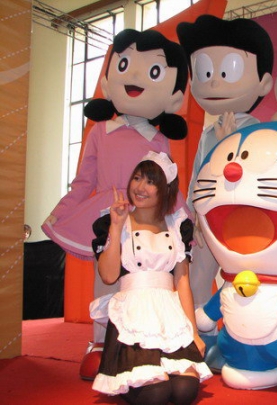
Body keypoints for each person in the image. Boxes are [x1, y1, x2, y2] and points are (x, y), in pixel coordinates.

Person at [41, 28, 190, 379]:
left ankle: (148, 339)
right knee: (106, 278)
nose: (134, 77)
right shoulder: (99, 132)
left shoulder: (159, 139)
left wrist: (183, 217)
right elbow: (84, 180)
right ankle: (100, 341)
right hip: (110, 216)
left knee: (141, 282)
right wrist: (63, 210)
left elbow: (166, 184)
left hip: (146, 221)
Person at [90, 151, 212, 405]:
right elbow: (109, 276)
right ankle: (124, 378)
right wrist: (116, 227)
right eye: (137, 178)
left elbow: (182, 282)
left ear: (165, 189)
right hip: (133, 315)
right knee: (156, 393)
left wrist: (193, 332)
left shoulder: (177, 225)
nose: (140, 187)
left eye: (150, 182)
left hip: (169, 315)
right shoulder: (114, 222)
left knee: (185, 391)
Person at [176, 15, 274, 311]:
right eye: (205, 72)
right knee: (198, 279)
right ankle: (201, 332)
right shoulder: (208, 133)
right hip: (207, 219)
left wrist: (228, 143)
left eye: (227, 71)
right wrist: (192, 218)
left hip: (243, 220)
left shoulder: (259, 131)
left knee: (242, 282)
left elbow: (253, 178)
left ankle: (240, 331)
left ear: (264, 83)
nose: (214, 81)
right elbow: (197, 178)